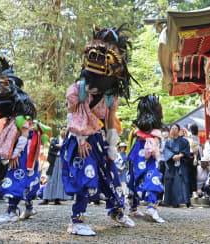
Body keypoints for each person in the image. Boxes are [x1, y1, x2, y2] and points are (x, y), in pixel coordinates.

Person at [61, 25, 136, 236]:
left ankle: (117, 211)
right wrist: (79, 138)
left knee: (112, 175)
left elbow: (110, 120)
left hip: (98, 138)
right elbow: (71, 114)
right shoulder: (78, 89)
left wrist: (112, 147)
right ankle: (77, 220)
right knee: (87, 174)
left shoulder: (111, 95)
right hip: (80, 138)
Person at [0, 117, 50, 223]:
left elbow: (23, 137)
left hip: (22, 156)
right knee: (29, 181)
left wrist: (14, 155)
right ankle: (29, 207)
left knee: (16, 180)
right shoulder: (33, 123)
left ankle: (12, 211)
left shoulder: (22, 119)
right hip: (31, 158)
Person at [127, 95, 165, 223]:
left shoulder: (137, 129)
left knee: (134, 178)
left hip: (136, 152)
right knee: (153, 176)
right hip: (148, 154)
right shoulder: (155, 130)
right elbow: (155, 146)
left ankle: (133, 207)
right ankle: (151, 207)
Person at [40, 126, 71, 205]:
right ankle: (46, 198)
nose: (64, 132)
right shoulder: (54, 140)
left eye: (65, 130)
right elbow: (51, 148)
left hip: (62, 161)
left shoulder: (67, 141)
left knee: (60, 180)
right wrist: (60, 148)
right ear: (60, 130)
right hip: (54, 161)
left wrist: (60, 147)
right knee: (51, 179)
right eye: (63, 130)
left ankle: (57, 198)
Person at [163, 124, 192, 208]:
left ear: (179, 130)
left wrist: (179, 155)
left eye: (176, 128)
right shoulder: (168, 141)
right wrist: (172, 156)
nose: (174, 130)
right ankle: (173, 202)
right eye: (172, 128)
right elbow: (166, 151)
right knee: (170, 182)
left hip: (181, 163)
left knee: (183, 182)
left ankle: (187, 202)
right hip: (171, 164)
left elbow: (187, 151)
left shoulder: (184, 141)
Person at [187, 124, 202, 199]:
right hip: (190, 156)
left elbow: (195, 149)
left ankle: (192, 191)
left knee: (192, 175)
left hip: (192, 156)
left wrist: (195, 158)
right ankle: (191, 191)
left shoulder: (193, 138)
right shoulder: (194, 138)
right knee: (191, 175)